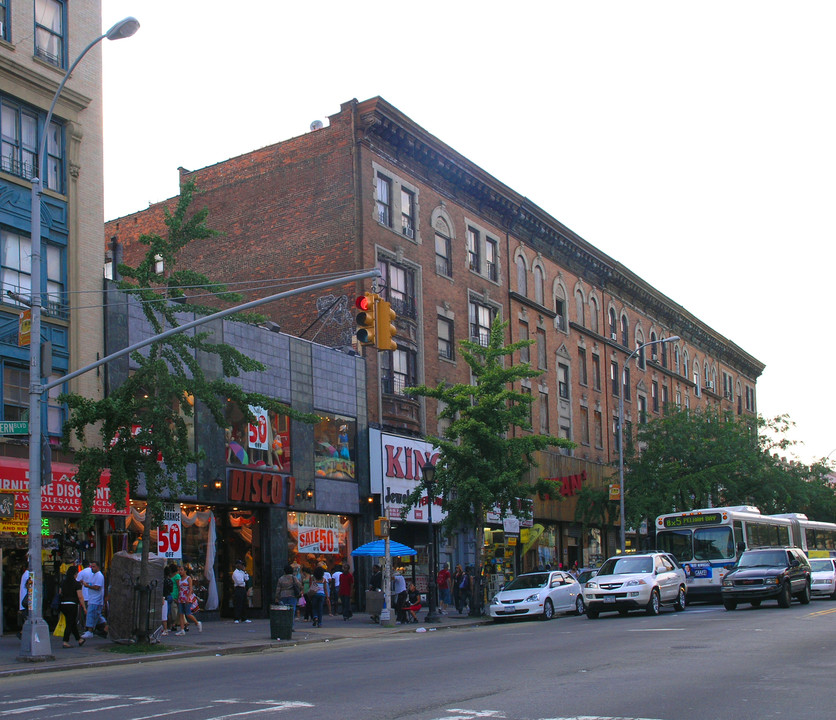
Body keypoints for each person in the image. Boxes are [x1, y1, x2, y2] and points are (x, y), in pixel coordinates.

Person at [59, 566, 86, 648]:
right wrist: (84, 607)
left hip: (63, 604)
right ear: (75, 574)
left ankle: (79, 639)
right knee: (70, 623)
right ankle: (65, 641)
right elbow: (80, 596)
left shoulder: (63, 582)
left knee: (71, 621)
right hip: (72, 604)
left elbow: (60, 592)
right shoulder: (77, 584)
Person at [79, 560, 105, 640]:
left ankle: (89, 630)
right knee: (97, 615)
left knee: (90, 614)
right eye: (91, 566)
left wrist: (88, 586)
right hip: (92, 598)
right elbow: (91, 584)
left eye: (93, 566)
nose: (92, 568)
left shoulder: (99, 576)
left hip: (96, 599)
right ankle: (106, 627)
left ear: (98, 567)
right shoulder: (93, 575)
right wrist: (85, 583)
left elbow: (97, 587)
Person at [176, 565, 202, 634]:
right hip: (181, 597)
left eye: (181, 570)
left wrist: (188, 597)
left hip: (187, 597)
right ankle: (182, 630)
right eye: (179, 570)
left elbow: (190, 588)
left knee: (188, 613)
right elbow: (179, 589)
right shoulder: (179, 580)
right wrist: (178, 597)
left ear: (185, 571)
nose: (180, 571)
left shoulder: (188, 578)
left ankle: (197, 622)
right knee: (181, 614)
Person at [275, 564, 302, 628]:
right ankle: (291, 625)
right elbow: (299, 585)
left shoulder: (281, 579)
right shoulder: (293, 577)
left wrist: (277, 597)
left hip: (283, 596)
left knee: (284, 611)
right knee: (292, 610)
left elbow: (278, 589)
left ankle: (285, 624)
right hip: (292, 595)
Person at [231, 560, 251, 624]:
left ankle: (244, 618)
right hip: (238, 588)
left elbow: (247, 578)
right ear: (237, 565)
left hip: (243, 588)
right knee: (238, 603)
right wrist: (243, 581)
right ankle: (236, 618)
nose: (241, 566)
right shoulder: (235, 573)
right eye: (240, 564)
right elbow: (239, 582)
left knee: (244, 603)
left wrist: (245, 572)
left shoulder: (242, 572)